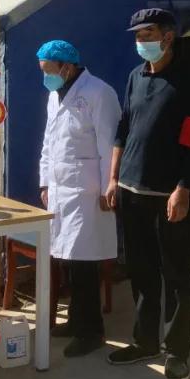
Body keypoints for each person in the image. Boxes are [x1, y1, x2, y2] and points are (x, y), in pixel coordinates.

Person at [106, 8, 190, 379]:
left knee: (176, 272)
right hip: (131, 189)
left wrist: (184, 188)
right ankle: (145, 341)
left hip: (169, 194)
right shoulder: (136, 76)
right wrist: (113, 178)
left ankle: (177, 351)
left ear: (168, 37)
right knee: (141, 269)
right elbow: (124, 128)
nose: (140, 42)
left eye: (147, 35)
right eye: (137, 36)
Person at [36, 40, 122, 358]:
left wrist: (108, 187)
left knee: (85, 263)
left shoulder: (99, 93)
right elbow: (49, 142)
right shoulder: (54, 95)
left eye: (49, 71)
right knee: (68, 259)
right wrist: (45, 182)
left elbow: (109, 144)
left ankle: (92, 331)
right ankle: (75, 320)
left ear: (67, 67)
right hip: (61, 191)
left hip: (88, 192)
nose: (45, 77)